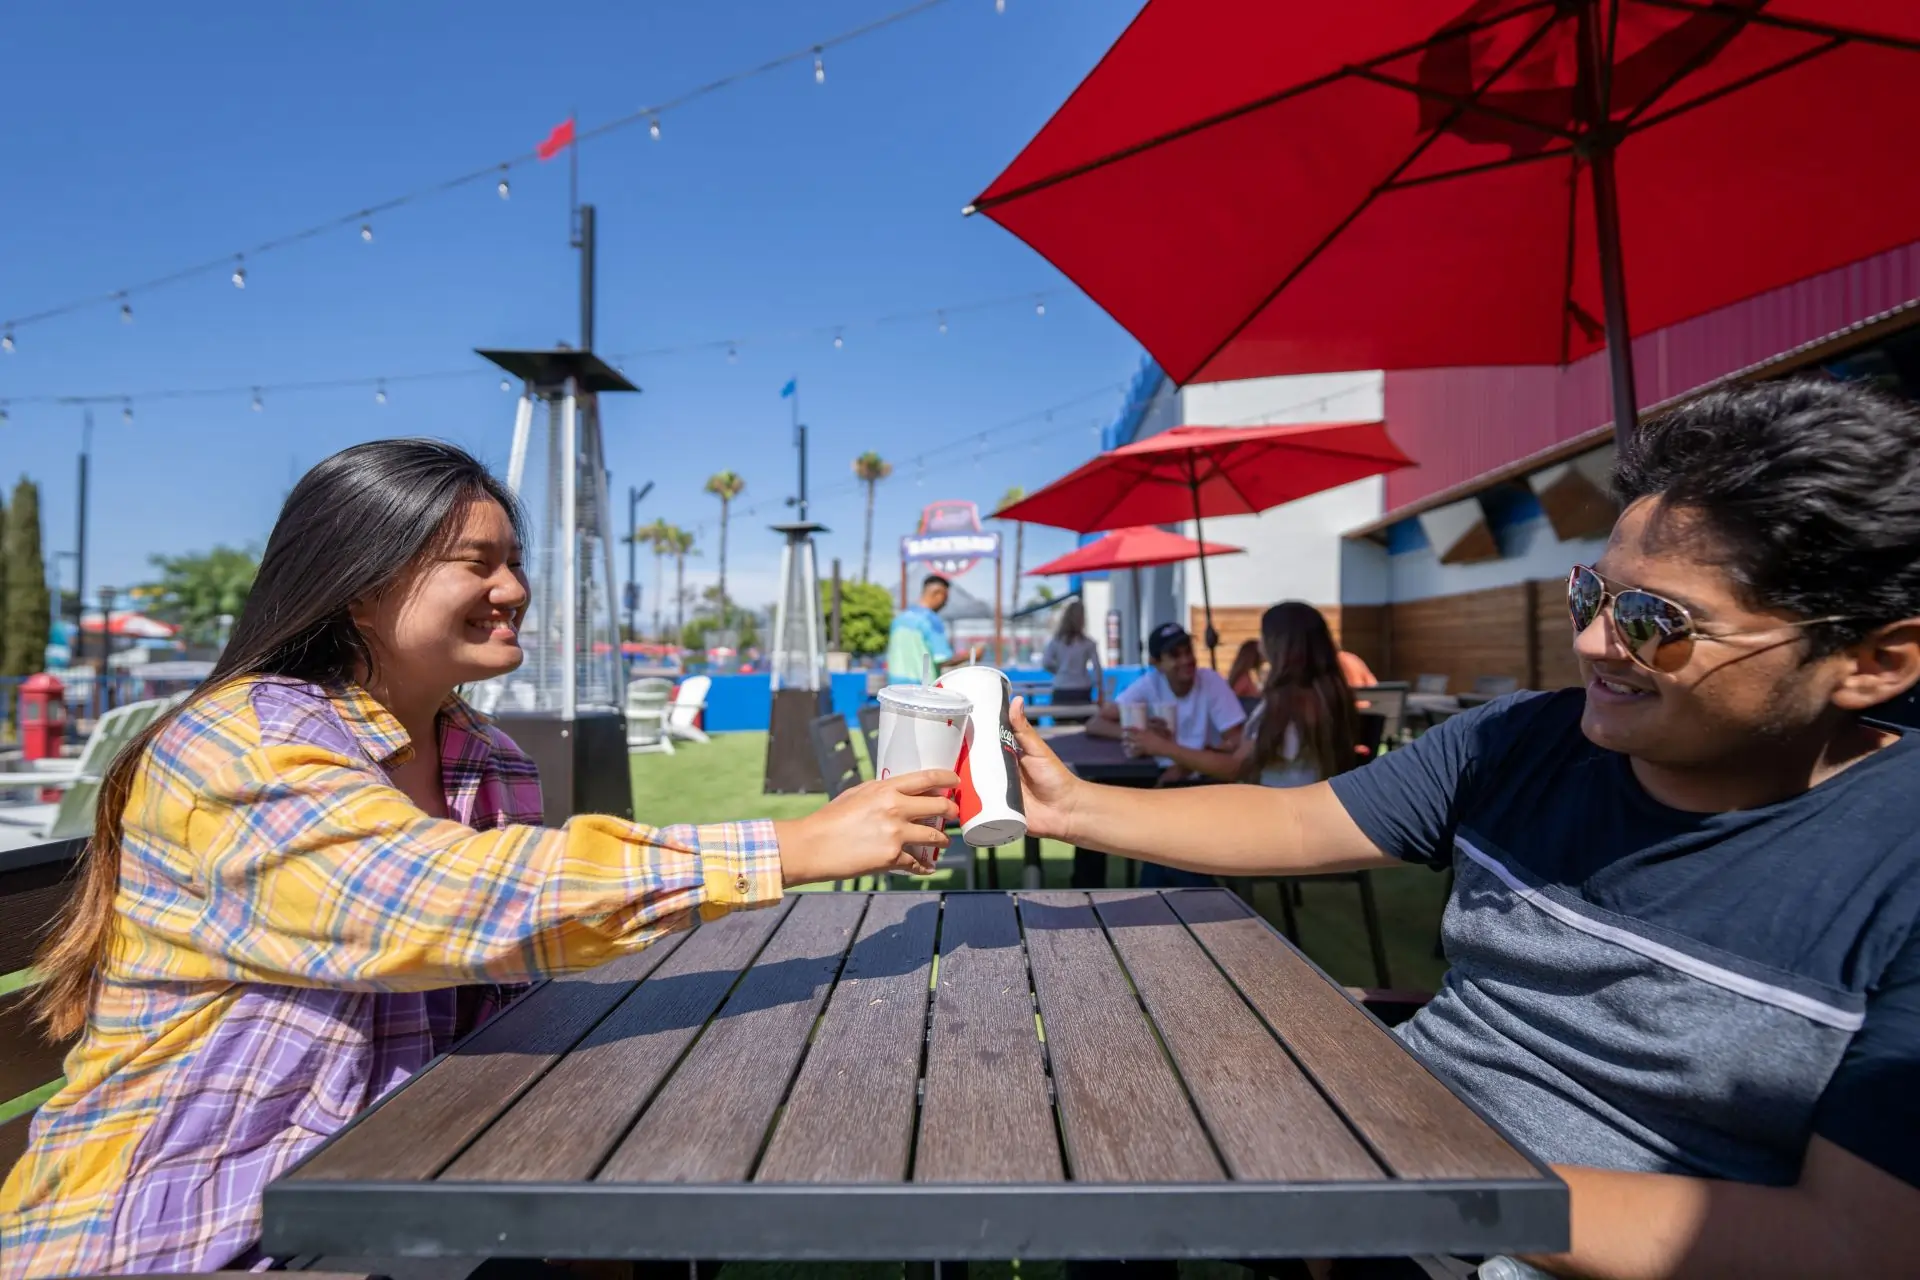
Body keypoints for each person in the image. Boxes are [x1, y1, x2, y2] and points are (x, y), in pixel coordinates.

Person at [1011, 379, 1920, 1278]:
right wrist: (1071, 805)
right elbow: (1296, 819)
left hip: (1504, 1219)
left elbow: (1858, 1246)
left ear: (1875, 662)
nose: (1597, 644)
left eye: (1656, 622)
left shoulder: (1896, 862)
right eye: (1590, 595)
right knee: (1113, 1161)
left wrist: (1394, 1177)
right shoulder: (1520, 740)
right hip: (1395, 1161)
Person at [0, 441, 956, 1279]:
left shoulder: (482, 756)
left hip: (403, 1182)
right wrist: (788, 846)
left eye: (515, 562)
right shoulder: (238, 747)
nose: (514, 590)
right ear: (360, 582)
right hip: (201, 1223)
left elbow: (506, 978)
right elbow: (440, 904)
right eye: (477, 563)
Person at [1089, 622, 1246, 890]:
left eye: (1188, 651)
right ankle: (1087, 889)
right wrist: (1139, 732)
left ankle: (1159, 897)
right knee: (1094, 805)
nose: (1186, 660)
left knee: (1159, 832)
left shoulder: (1210, 682)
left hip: (1206, 783)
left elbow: (1237, 744)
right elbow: (1096, 723)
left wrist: (1180, 763)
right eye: (1175, 654)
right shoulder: (1151, 683)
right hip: (1165, 780)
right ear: (1156, 663)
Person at [1140, 602, 1357, 790]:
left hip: (1278, 814)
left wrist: (1161, 747)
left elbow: (1235, 769)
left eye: (1263, 634)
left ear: (1279, 645)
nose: (1259, 642)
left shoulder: (1286, 705)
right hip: (1312, 806)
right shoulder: (1326, 695)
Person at [885, 573, 967, 686]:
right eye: (945, 598)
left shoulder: (899, 619)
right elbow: (943, 660)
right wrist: (972, 654)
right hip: (921, 694)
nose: (945, 603)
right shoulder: (931, 619)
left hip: (894, 691)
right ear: (937, 594)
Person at [1042, 599, 1103, 705]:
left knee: (1061, 720)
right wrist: (1100, 692)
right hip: (1082, 688)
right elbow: (1097, 669)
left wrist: (1060, 670)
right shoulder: (1089, 643)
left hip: (1061, 687)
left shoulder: (1056, 641)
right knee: (1084, 720)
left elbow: (1046, 662)